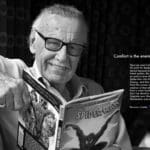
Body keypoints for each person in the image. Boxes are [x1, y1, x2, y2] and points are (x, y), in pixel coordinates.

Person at [0, 4, 132, 150]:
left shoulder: (96, 92)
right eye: (53, 43)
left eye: (73, 48)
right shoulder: (11, 71)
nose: (62, 58)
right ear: (33, 43)